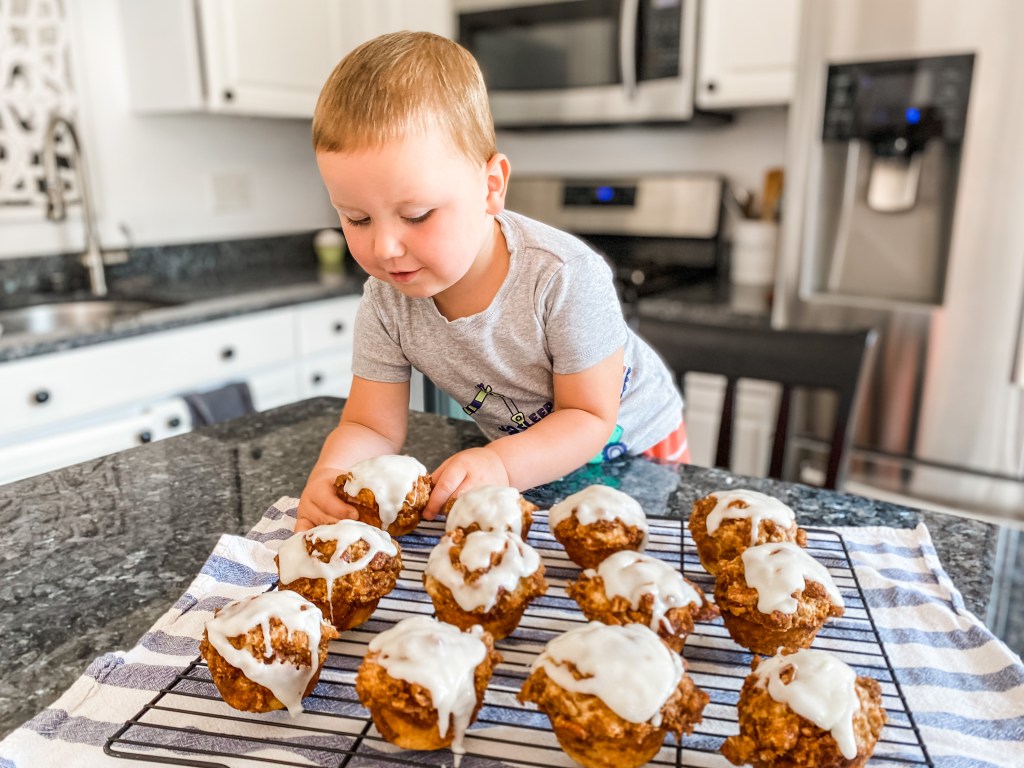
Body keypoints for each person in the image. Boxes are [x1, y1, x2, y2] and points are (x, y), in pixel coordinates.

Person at [297, 31, 688, 533]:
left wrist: (501, 464)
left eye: (416, 215)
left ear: (491, 187)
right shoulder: (386, 303)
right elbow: (369, 425)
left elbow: (589, 417)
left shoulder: (562, 276)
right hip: (522, 462)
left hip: (635, 452)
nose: (385, 248)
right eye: (356, 219)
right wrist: (332, 475)